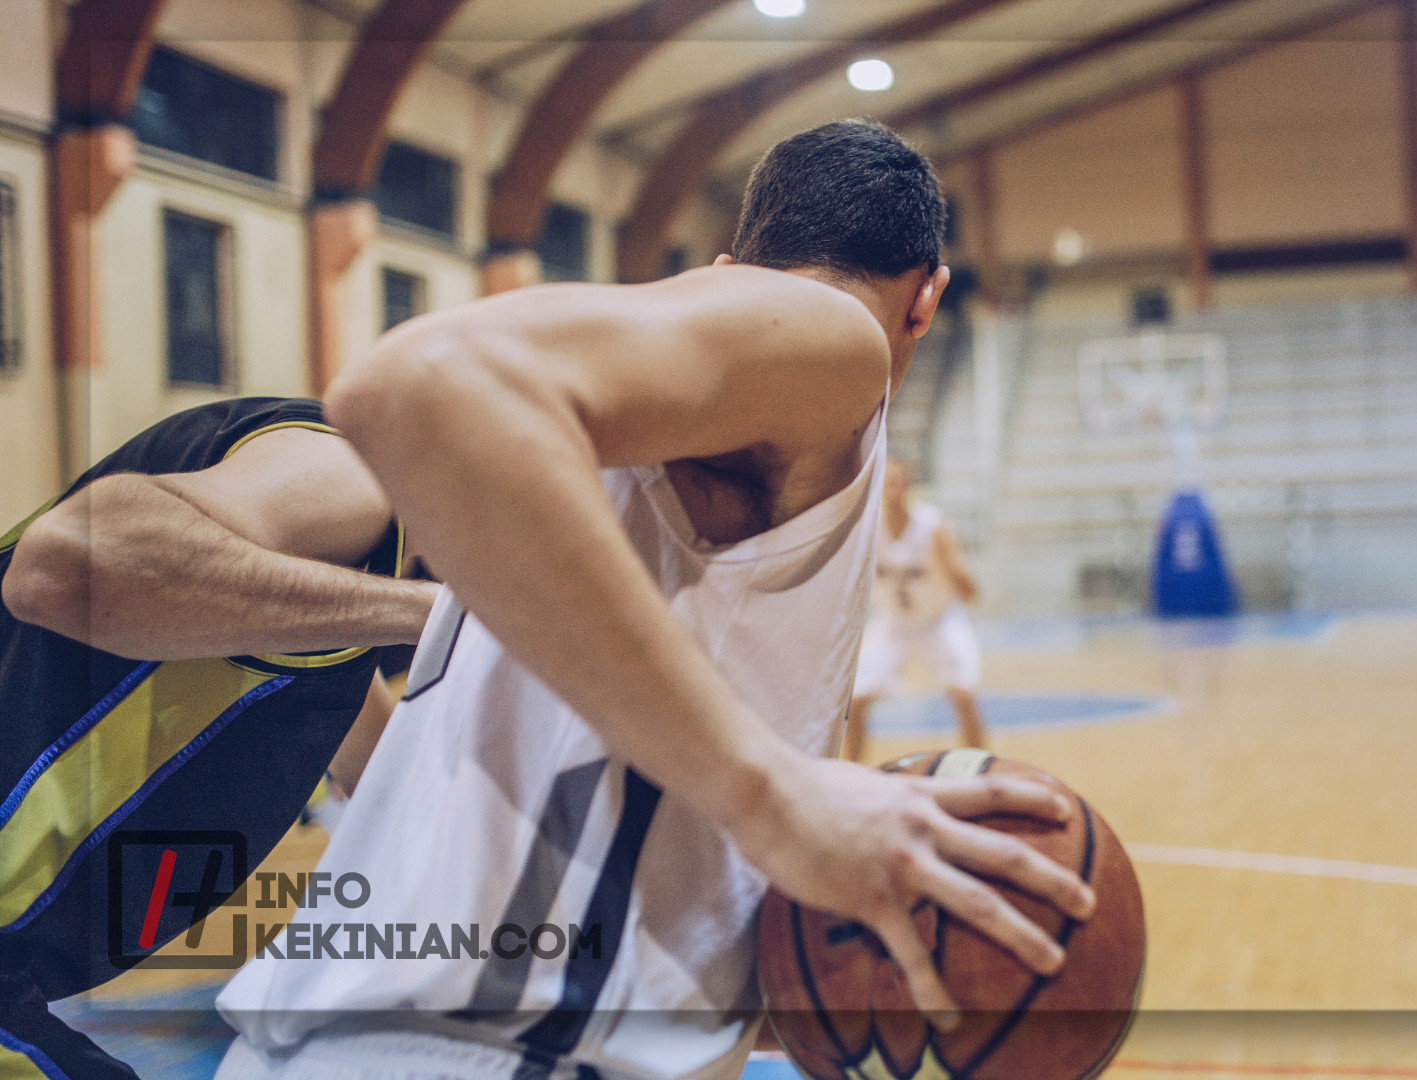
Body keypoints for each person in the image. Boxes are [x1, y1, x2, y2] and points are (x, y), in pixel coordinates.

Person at [214, 119, 1095, 1080]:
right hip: (487, 1053)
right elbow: (413, 381)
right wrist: (776, 796)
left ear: (728, 259)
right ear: (928, 297)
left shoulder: (636, 438)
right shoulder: (833, 334)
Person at [0, 397, 440, 1080]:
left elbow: (401, 794)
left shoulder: (320, 615)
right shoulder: (354, 475)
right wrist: (439, 615)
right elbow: (59, 569)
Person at [843, 459, 987, 763]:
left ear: (910, 487)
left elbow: (970, 590)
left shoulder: (933, 527)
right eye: (888, 483)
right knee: (855, 701)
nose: (895, 490)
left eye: (900, 483)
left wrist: (958, 574)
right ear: (879, 488)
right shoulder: (868, 528)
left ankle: (981, 768)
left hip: (940, 619)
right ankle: (850, 770)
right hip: (894, 623)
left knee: (963, 694)